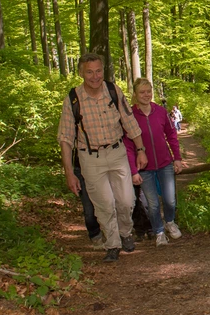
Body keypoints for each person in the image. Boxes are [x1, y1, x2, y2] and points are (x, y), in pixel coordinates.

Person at [58, 53, 148, 263]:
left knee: (126, 201)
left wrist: (140, 149)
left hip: (117, 153)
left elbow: (129, 120)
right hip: (90, 158)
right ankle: (113, 244)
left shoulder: (113, 91)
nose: (95, 76)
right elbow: (65, 138)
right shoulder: (73, 99)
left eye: (98, 71)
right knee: (104, 204)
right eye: (89, 71)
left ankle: (126, 232)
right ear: (81, 73)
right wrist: (69, 172)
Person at [123, 78, 184, 246]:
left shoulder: (161, 112)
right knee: (152, 204)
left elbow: (171, 135)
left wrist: (177, 158)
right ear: (135, 94)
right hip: (144, 168)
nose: (146, 95)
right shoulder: (130, 116)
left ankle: (170, 222)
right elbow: (128, 146)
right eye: (141, 92)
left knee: (170, 200)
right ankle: (158, 231)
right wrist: (133, 171)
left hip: (165, 163)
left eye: (148, 91)